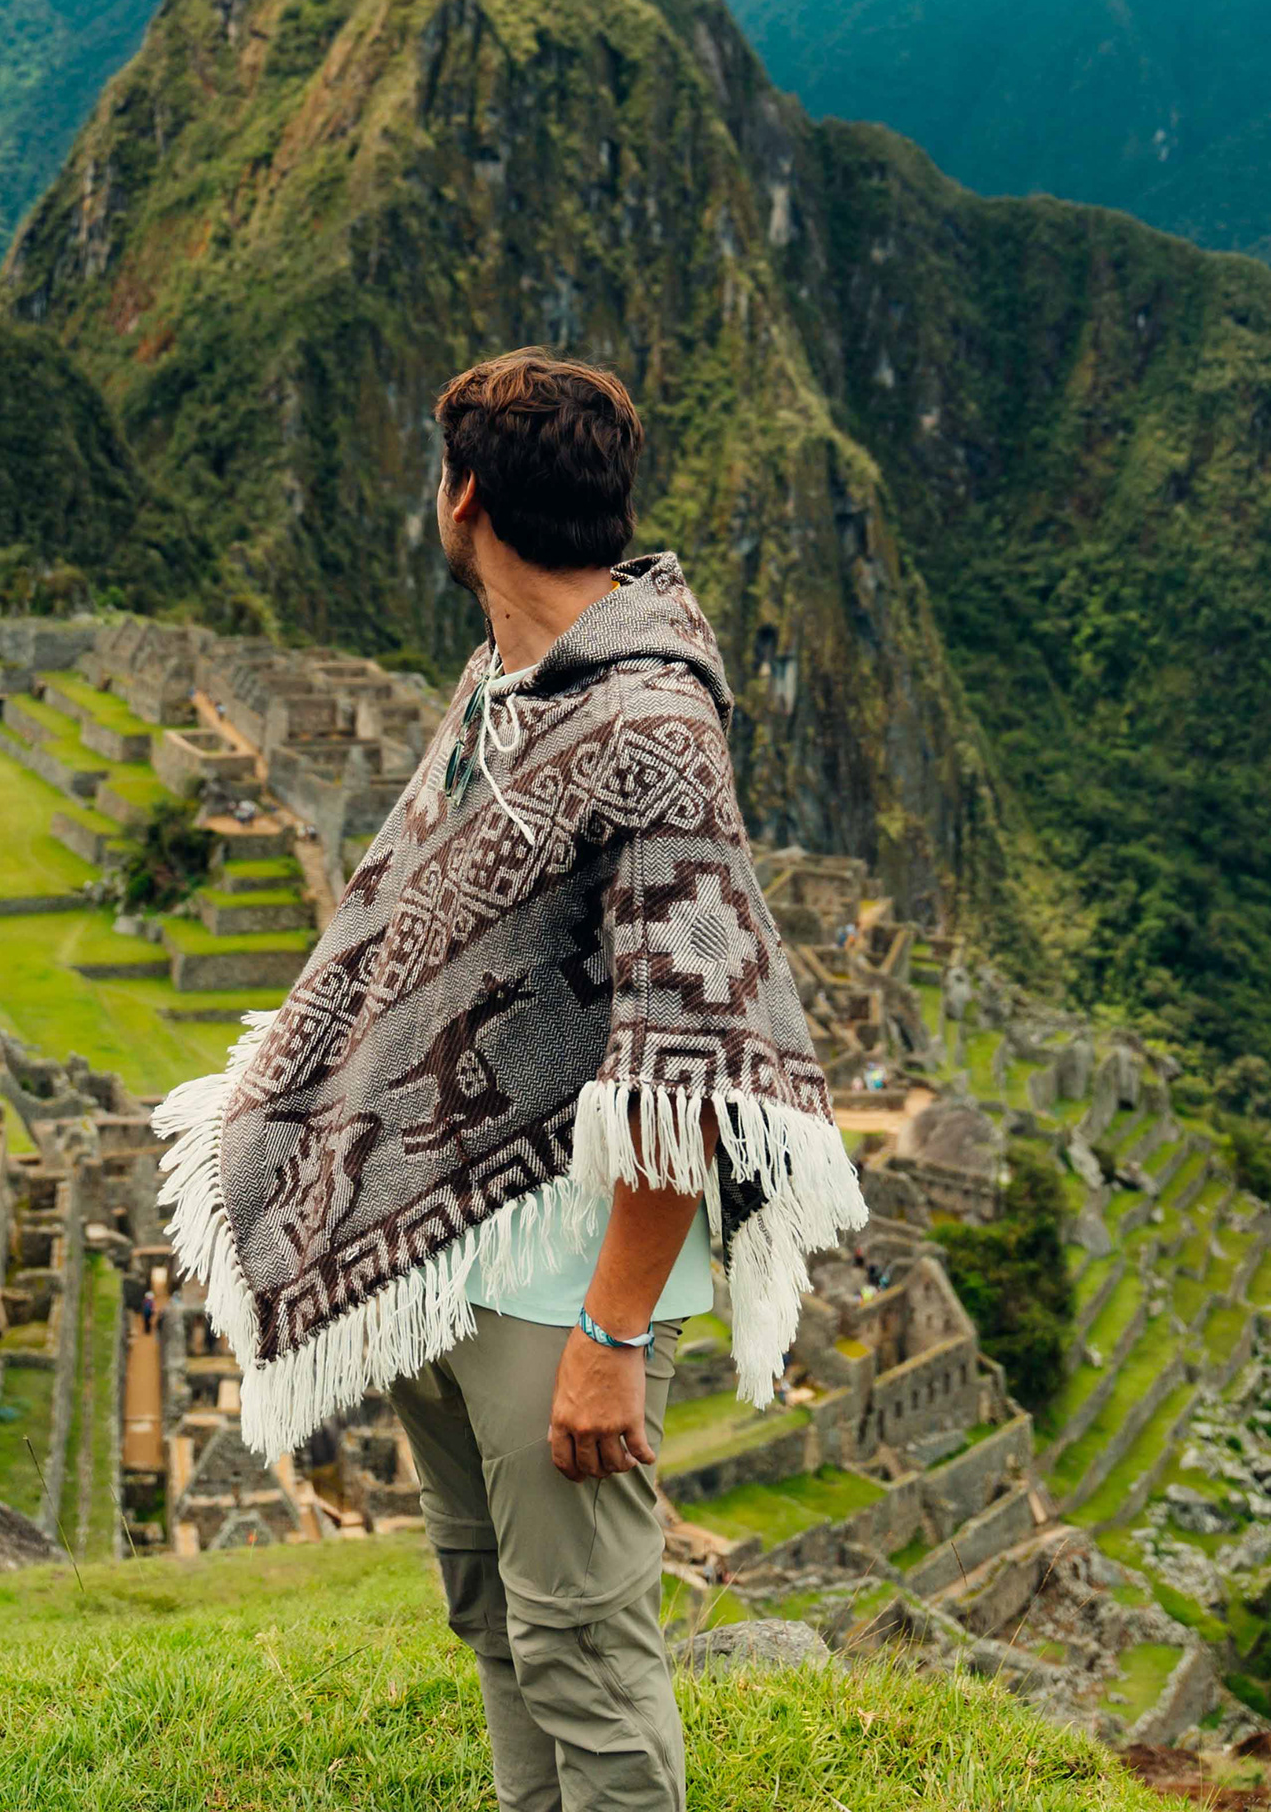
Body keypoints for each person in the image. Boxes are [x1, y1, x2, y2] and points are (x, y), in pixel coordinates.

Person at [154, 350, 864, 1812]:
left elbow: (692, 1058)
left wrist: (612, 1329)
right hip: (439, 1251)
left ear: (466, 497)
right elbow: (408, 937)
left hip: (563, 1293)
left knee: (588, 1655)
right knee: (499, 1622)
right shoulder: (507, 686)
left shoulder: (654, 728)